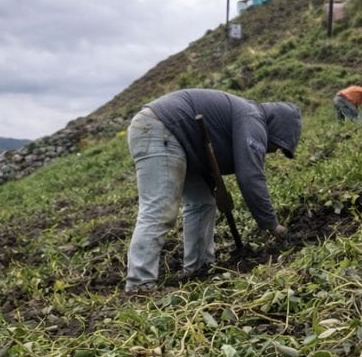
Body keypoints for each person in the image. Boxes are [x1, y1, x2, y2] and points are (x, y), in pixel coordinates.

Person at [125, 89, 302, 292]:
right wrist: (271, 224)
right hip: (160, 130)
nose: (272, 151)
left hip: (177, 139)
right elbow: (250, 177)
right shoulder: (252, 118)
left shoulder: (247, 115)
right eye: (277, 145)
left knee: (202, 202)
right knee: (159, 209)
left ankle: (199, 267)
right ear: (277, 128)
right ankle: (139, 285)